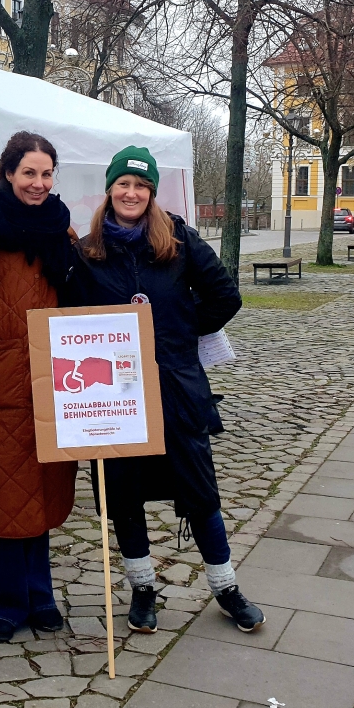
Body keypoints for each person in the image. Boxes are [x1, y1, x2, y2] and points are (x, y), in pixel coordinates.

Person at [75, 146, 265, 634]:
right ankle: (142, 588)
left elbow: (226, 295)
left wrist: (177, 333)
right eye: (123, 184)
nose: (131, 193)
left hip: (176, 388)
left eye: (141, 186)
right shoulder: (89, 250)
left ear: (152, 193)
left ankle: (225, 587)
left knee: (200, 492)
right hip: (115, 394)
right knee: (124, 495)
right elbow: (68, 317)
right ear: (110, 190)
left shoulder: (179, 240)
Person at [0, 132, 78, 642]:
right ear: (9, 173)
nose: (38, 183)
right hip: (2, 381)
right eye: (29, 172)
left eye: (46, 173)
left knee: (43, 491)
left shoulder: (62, 229)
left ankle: (39, 594)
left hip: (57, 380)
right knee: (5, 493)